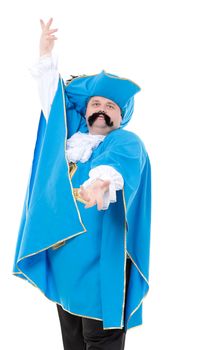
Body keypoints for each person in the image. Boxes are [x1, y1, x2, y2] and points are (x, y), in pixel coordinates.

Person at [12, 17, 151, 350]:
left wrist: (99, 185)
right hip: (67, 265)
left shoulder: (124, 142)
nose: (102, 110)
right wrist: (45, 58)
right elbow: (53, 106)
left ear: (121, 117)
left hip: (104, 262)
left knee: (100, 339)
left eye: (111, 107)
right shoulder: (71, 145)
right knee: (72, 340)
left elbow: (117, 169)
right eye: (96, 104)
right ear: (86, 112)